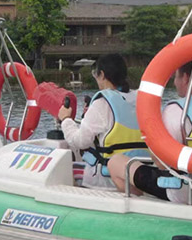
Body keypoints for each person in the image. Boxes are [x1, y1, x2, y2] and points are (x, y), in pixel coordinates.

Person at [109, 57, 192, 204]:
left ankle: (142, 206)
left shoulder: (176, 110)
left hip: (185, 191)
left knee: (115, 162)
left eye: (176, 76)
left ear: (185, 78)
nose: (174, 82)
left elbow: (161, 163)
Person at [57, 53, 147, 189]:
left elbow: (80, 141)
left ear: (102, 75)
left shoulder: (102, 103)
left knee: (67, 169)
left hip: (108, 177)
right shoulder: (140, 99)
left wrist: (66, 120)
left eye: (96, 74)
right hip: (140, 173)